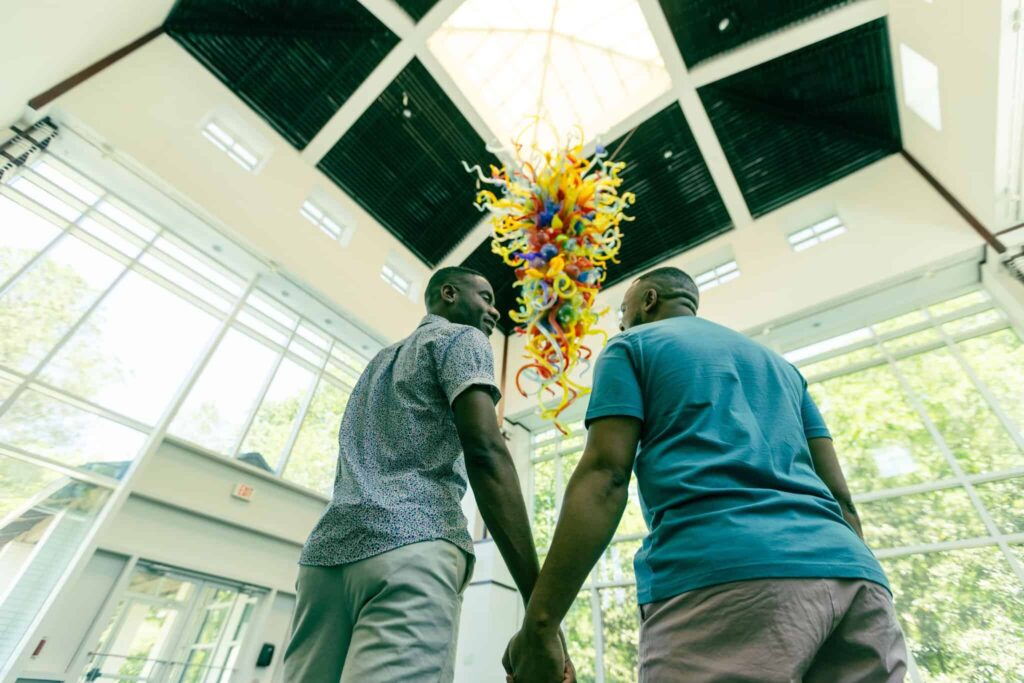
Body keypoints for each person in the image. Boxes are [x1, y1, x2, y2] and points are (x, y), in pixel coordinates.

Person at [505, 267, 907, 683]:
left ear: (648, 301)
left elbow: (605, 477)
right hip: (857, 581)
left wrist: (540, 625)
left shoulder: (631, 346)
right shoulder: (782, 369)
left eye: (622, 311)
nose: (620, 322)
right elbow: (840, 498)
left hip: (724, 580)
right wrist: (852, 571)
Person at [283, 267, 549, 682]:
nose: (495, 311)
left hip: (325, 560)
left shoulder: (379, 362)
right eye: (485, 296)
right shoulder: (461, 338)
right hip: (412, 548)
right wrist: (539, 604)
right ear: (448, 294)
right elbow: (485, 450)